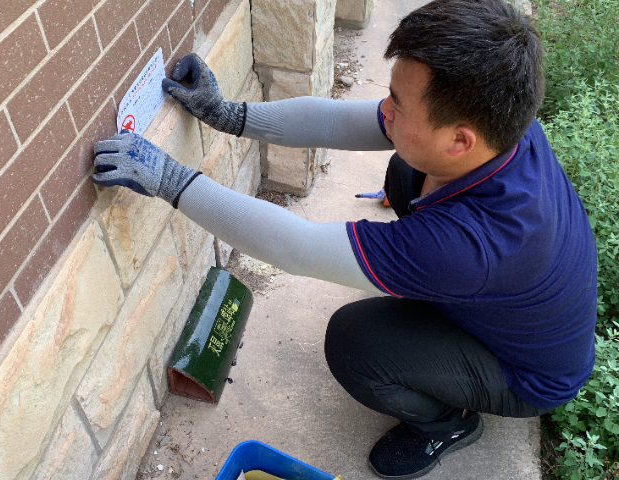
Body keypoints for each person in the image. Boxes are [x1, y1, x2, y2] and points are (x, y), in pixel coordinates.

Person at [92, 0, 597, 477]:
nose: (385, 110)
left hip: (525, 374)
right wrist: (229, 115)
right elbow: (343, 121)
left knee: (357, 344)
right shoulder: (501, 121)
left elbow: (295, 247)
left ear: (459, 139)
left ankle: (447, 424)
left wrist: (171, 180)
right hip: (512, 300)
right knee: (406, 168)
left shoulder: (470, 246)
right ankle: (441, 319)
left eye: (398, 104)